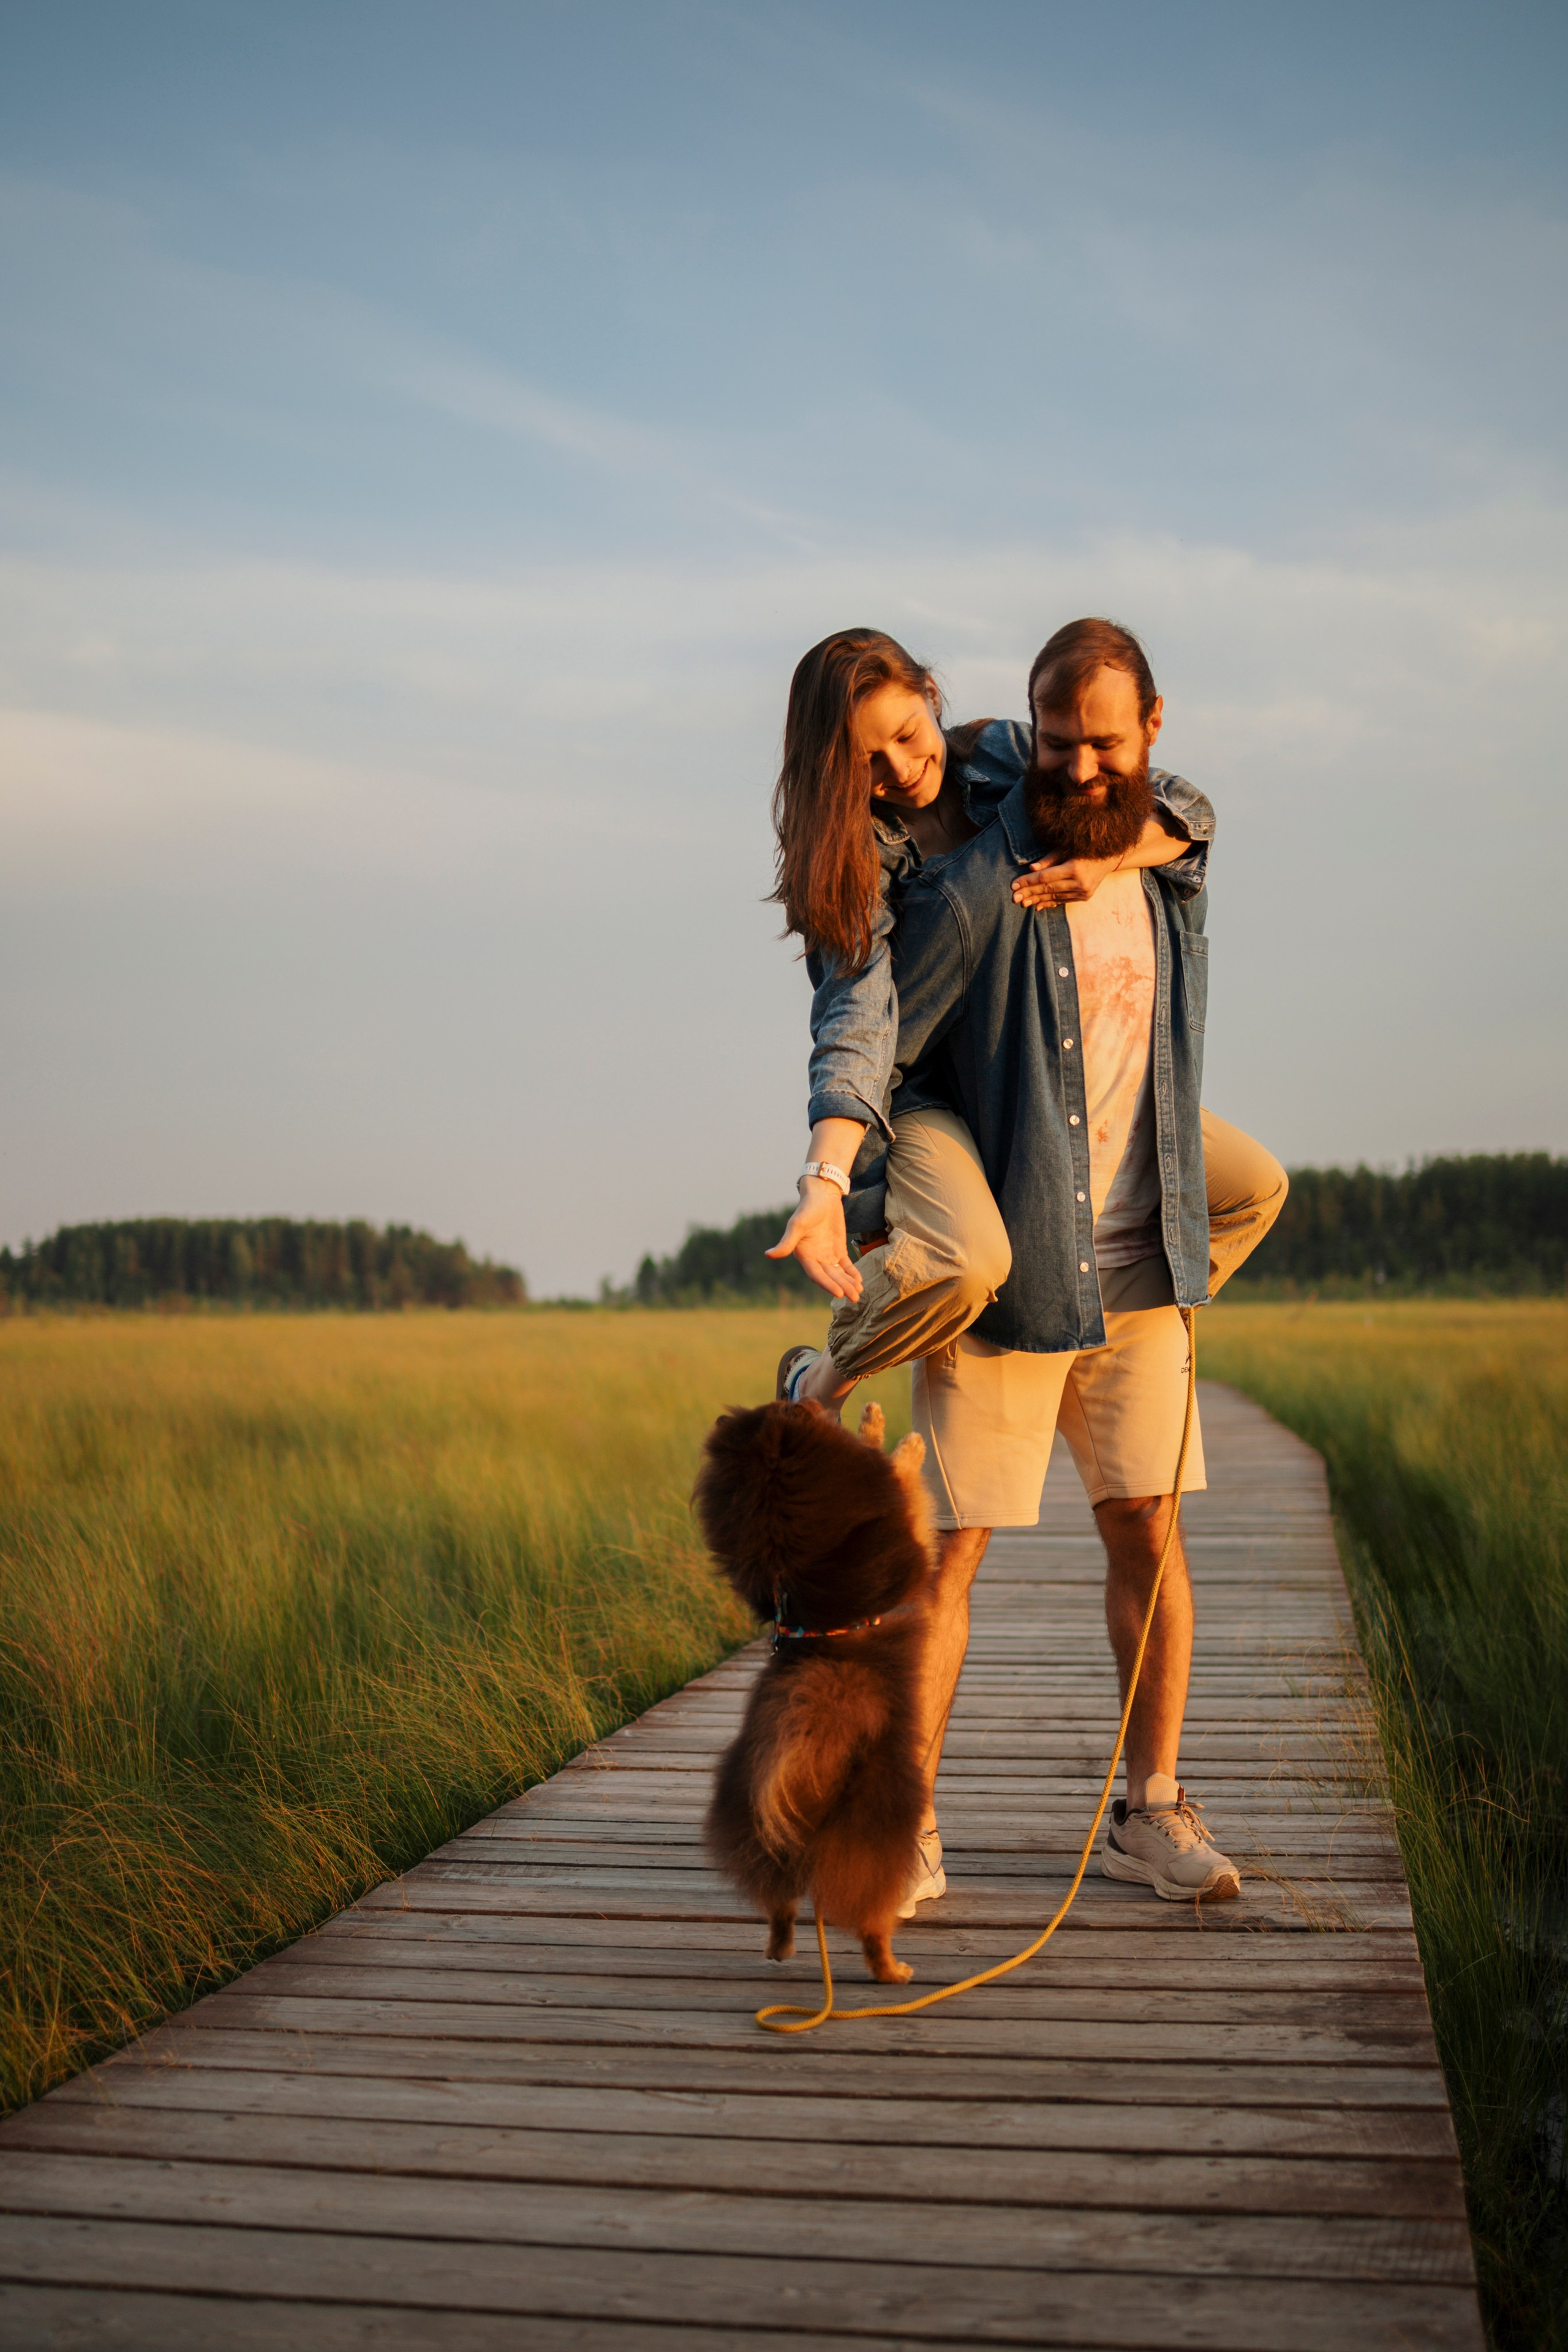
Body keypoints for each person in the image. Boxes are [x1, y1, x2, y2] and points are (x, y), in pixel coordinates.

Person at [763, 624, 1284, 1909]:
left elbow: (1192, 815)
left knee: (1148, 1534)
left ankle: (1149, 1812)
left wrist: (1151, 836)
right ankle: (906, 1822)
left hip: (1133, 1261)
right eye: (1063, 745)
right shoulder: (961, 881)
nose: (1081, 765)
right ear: (1035, 740)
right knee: (952, 1554)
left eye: (1106, 744)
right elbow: (865, 1027)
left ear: (1146, 734)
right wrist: (836, 1177)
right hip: (1000, 1231)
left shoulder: (1144, 843)